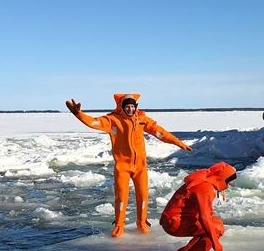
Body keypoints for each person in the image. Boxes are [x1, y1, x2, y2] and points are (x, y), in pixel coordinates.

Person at [65, 93, 191, 237]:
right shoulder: (113, 120)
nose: (130, 109)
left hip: (140, 167)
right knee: (121, 196)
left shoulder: (142, 120)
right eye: (127, 107)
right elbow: (93, 122)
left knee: (143, 194)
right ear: (122, 108)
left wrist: (178, 143)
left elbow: (160, 133)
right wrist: (78, 114)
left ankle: (142, 222)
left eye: (133, 107)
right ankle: (119, 225)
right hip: (122, 167)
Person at [160, 162, 237, 251]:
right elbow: (204, 218)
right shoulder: (205, 188)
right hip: (174, 223)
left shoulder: (203, 180)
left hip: (172, 219)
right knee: (216, 228)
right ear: (221, 179)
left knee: (216, 221)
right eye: (229, 183)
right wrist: (215, 243)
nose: (228, 186)